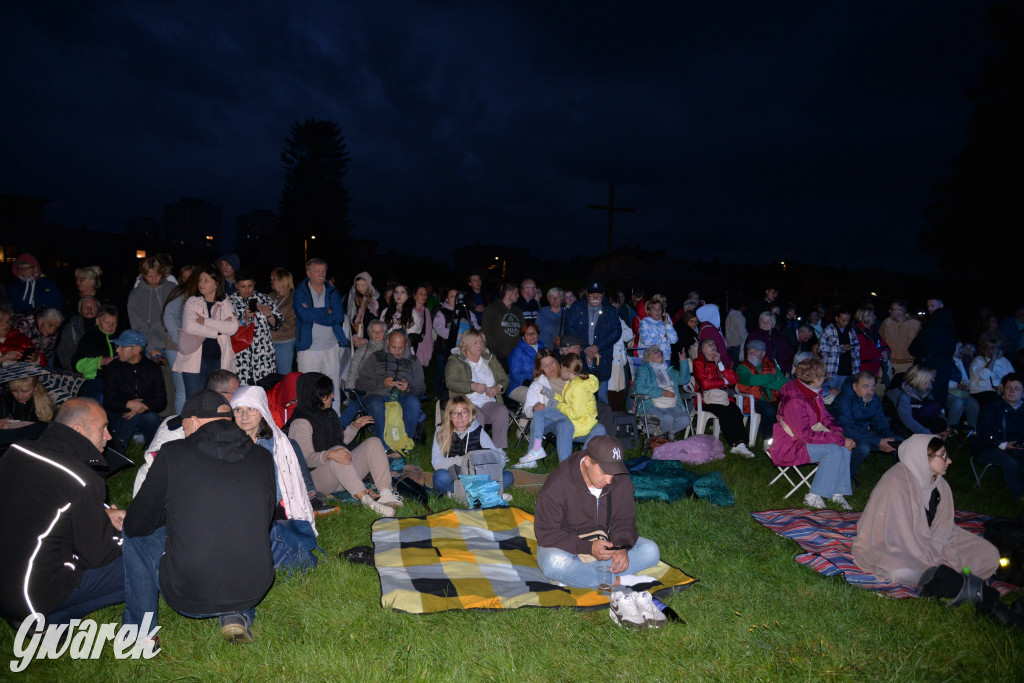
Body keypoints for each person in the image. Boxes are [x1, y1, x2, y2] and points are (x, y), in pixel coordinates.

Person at [122, 390, 275, 644]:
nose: (183, 433)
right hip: (254, 587)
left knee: (132, 534)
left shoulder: (172, 454)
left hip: (190, 594)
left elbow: (137, 523)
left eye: (183, 427)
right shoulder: (262, 456)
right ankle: (235, 614)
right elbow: (264, 519)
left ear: (193, 422)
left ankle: (140, 633)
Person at [853, 435, 1007, 625]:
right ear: (923, 457)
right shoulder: (896, 483)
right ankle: (945, 577)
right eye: (943, 456)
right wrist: (933, 558)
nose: (949, 461)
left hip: (930, 544)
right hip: (895, 545)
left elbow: (944, 529)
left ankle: (944, 577)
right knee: (899, 571)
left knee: (989, 554)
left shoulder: (940, 485)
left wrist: (944, 555)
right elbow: (898, 535)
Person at [0, 398, 124, 627]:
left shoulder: (17, 450)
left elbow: (38, 505)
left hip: (6, 586)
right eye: (102, 428)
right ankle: (50, 620)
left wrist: (100, 515)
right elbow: (96, 555)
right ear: (78, 430)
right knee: (142, 561)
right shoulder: (82, 480)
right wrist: (123, 536)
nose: (109, 436)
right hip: (32, 596)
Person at [533, 435, 664, 628]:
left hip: (606, 543)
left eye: (614, 472)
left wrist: (622, 547)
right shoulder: (558, 483)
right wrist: (587, 547)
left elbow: (624, 520)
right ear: (587, 461)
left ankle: (584, 577)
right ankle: (620, 580)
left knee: (651, 551)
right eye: (604, 471)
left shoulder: (620, 480)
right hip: (565, 544)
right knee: (554, 564)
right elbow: (546, 532)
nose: (609, 479)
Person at [285, 372, 399, 517]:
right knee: (338, 452)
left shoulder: (328, 413)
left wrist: (354, 427)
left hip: (342, 474)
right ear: (315, 397)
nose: (333, 396)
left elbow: (339, 440)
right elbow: (305, 459)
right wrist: (328, 455)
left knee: (373, 442)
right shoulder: (301, 422)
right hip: (318, 479)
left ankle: (386, 493)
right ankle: (368, 501)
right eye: (327, 394)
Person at [769, 357, 853, 510]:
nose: (825, 378)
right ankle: (814, 496)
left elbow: (825, 417)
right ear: (815, 379)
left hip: (804, 439)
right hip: (789, 446)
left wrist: (838, 432)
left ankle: (837, 493)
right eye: (823, 376)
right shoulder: (795, 400)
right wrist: (838, 440)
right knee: (834, 449)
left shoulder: (812, 392)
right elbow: (805, 435)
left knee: (844, 448)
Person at [173, 263, 239, 396]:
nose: (201, 283)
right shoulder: (192, 302)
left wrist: (204, 321)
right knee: (194, 400)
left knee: (216, 401)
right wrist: (218, 330)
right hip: (194, 359)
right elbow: (189, 326)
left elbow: (232, 328)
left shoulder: (224, 303)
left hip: (218, 360)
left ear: (216, 284)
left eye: (206, 280)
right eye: (200, 280)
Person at [430, 395, 513, 497]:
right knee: (440, 476)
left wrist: (481, 464)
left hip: (476, 476)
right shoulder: (440, 431)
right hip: (454, 476)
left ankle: (458, 494)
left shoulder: (478, 431)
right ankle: (485, 493)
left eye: (464, 412)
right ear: (450, 416)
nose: (460, 417)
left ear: (470, 414)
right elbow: (436, 462)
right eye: (455, 413)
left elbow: (499, 458)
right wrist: (465, 460)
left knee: (508, 476)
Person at [294, 258, 348, 414]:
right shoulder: (300, 291)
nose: (321, 274)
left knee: (332, 386)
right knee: (309, 387)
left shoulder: (332, 291)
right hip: (308, 348)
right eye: (317, 271)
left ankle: (334, 419)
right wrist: (326, 311)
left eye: (323, 271)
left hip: (331, 347)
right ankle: (310, 421)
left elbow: (338, 317)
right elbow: (303, 316)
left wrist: (313, 314)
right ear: (308, 273)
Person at [356, 330, 425, 445]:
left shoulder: (413, 361)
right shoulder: (376, 357)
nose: (397, 351)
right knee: (376, 405)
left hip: (402, 396)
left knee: (414, 403)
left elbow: (421, 388)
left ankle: (403, 444)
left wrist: (408, 388)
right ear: (387, 342)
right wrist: (381, 383)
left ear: (406, 345)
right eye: (393, 347)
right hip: (378, 395)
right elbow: (360, 383)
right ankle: (385, 446)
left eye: (401, 348)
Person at [444, 329, 510, 448]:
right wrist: (471, 386)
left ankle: (498, 450)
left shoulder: (490, 358)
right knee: (477, 415)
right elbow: (450, 382)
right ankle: (476, 449)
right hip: (466, 402)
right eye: (475, 343)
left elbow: (504, 378)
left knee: (502, 411)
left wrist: (498, 387)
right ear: (466, 344)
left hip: (488, 402)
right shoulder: (456, 360)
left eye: (481, 342)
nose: (480, 345)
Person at [692, 339, 755, 457]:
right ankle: (737, 444)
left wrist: (720, 365)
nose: (712, 346)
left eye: (713, 344)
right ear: (702, 350)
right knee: (725, 413)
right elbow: (704, 384)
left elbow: (734, 380)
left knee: (736, 411)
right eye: (708, 345)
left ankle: (741, 443)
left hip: (724, 399)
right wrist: (723, 381)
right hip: (706, 400)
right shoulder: (698, 363)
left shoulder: (721, 363)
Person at [103, 329, 167, 447]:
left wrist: (143, 406)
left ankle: (154, 451)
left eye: (122, 347)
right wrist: (128, 404)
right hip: (118, 412)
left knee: (151, 417)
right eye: (118, 346)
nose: (117, 350)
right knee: (132, 417)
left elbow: (161, 400)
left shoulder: (152, 368)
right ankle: (117, 451)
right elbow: (108, 400)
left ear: (136, 349)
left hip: (145, 412)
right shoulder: (113, 368)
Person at [833, 371, 896, 481]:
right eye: (865, 387)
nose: (870, 391)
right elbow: (846, 428)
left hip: (862, 433)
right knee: (863, 447)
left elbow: (880, 422)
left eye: (873, 387)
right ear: (854, 386)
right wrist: (877, 441)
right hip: (841, 435)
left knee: (898, 441)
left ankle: (900, 476)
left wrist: (888, 437)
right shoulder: (844, 399)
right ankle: (848, 475)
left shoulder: (874, 399)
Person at [564, 281, 619, 403]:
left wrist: (597, 347)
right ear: (587, 294)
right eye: (592, 294)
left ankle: (603, 422)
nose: (595, 297)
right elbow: (569, 327)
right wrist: (586, 347)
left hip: (602, 360)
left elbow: (616, 332)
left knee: (602, 399)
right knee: (581, 398)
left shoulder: (611, 311)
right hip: (581, 358)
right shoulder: (576, 307)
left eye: (598, 295)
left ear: (603, 294)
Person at [973, 373, 1024, 502]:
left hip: (1017, 445)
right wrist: (1002, 444)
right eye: (1008, 387)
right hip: (989, 447)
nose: (1012, 391)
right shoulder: (992, 408)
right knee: (1010, 461)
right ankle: (1020, 496)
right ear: (1003, 389)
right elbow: (984, 432)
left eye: (1016, 388)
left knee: (1017, 453)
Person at [229, 270, 282, 386]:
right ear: (236, 285)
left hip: (263, 355)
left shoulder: (264, 298)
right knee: (242, 392)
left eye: (250, 286)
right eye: (243, 286)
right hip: (240, 355)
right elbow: (227, 327)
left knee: (265, 390)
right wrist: (244, 318)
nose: (247, 290)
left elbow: (277, 324)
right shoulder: (229, 302)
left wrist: (268, 314)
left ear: (254, 284)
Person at [634, 346, 690, 439]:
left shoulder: (669, 370)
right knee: (667, 418)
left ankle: (666, 436)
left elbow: (684, 380)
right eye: (654, 351)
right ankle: (665, 441)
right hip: (652, 404)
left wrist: (683, 362)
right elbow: (639, 388)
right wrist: (662, 392)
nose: (659, 352)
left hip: (672, 404)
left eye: (660, 351)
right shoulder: (644, 370)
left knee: (685, 420)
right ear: (648, 357)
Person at [127, 257, 176, 365]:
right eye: (150, 276)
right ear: (143, 275)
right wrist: (150, 348)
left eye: (157, 275)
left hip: (174, 344)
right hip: (153, 345)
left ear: (162, 273)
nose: (154, 279)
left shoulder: (172, 288)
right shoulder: (136, 295)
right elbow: (138, 325)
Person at [909, 300, 956, 408]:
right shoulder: (951, 327)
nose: (929, 309)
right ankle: (940, 423)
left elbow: (912, 349)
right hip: (945, 368)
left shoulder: (929, 327)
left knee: (923, 400)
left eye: (932, 306)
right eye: (928, 306)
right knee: (940, 400)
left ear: (941, 305)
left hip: (928, 369)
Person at [433, 287, 477, 398]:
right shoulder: (442, 312)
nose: (455, 298)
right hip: (445, 349)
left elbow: (475, 327)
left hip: (463, 350)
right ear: (447, 299)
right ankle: (439, 395)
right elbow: (439, 329)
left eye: (457, 296)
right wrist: (458, 335)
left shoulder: (467, 312)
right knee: (442, 372)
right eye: (452, 296)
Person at [735, 339, 786, 436]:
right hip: (753, 401)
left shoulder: (771, 366)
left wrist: (762, 381)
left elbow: (784, 384)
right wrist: (773, 378)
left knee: (790, 408)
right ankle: (768, 441)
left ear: (763, 354)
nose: (751, 353)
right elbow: (750, 380)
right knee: (769, 411)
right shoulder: (742, 367)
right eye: (750, 350)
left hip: (774, 400)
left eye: (756, 351)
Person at [73, 305, 119, 399]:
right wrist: (100, 361)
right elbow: (78, 365)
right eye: (107, 323)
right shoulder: (89, 338)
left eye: (114, 323)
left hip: (117, 382)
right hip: (95, 381)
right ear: (97, 321)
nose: (111, 326)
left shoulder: (120, 339)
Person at [890, 364, 949, 437]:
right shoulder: (903, 395)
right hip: (898, 424)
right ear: (922, 380)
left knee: (940, 422)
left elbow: (937, 413)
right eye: (931, 379)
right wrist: (929, 434)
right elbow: (907, 420)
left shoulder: (925, 392)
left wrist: (946, 427)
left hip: (915, 420)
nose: (933, 381)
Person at [0, 375, 55, 447]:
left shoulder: (47, 403)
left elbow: (50, 431)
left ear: (36, 387)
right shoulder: (5, 398)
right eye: (14, 391)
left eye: (25, 391)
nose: (19, 396)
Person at [481, 281, 525, 363]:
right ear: (509, 293)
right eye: (516, 293)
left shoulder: (517, 311)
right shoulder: (492, 309)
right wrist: (497, 349)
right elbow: (486, 331)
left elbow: (523, 330)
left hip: (516, 355)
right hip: (497, 356)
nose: (518, 295)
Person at [819, 308, 860, 392]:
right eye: (843, 320)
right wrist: (841, 348)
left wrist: (856, 371)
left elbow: (857, 349)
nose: (846, 323)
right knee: (829, 396)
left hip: (847, 370)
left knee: (842, 397)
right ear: (836, 318)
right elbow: (822, 350)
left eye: (848, 320)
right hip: (832, 371)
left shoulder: (851, 330)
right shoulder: (828, 330)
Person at [56, 296, 99, 370]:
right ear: (79, 310)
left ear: (98, 309)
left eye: (93, 306)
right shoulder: (71, 328)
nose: (89, 309)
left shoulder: (106, 326)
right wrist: (76, 369)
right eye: (85, 307)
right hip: (77, 372)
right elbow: (64, 353)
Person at [879, 300, 920, 376]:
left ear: (901, 311)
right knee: (881, 387)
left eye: (892, 309)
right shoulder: (886, 322)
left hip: (907, 365)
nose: (889, 311)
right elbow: (881, 341)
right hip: (888, 363)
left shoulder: (916, 324)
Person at [969, 341, 1014, 408]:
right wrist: (993, 360)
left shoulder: (1004, 361)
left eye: (993, 347)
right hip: (982, 391)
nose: (990, 349)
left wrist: (1001, 387)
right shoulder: (978, 360)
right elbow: (984, 376)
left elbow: (1012, 378)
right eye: (987, 347)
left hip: (999, 392)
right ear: (983, 350)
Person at [269, 267, 297, 375]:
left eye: (274, 279)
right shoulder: (271, 296)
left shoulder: (293, 299)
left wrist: (270, 323)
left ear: (282, 281)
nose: (271, 281)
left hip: (284, 342)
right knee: (271, 376)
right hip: (269, 342)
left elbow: (289, 324)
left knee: (283, 376)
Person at [507, 322, 544, 402]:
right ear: (523, 337)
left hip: (541, 384)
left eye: (533, 333)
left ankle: (558, 412)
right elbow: (514, 374)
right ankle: (529, 413)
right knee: (538, 398)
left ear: (537, 334)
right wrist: (528, 382)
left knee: (553, 396)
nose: (531, 335)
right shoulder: (518, 351)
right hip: (518, 385)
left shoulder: (544, 349)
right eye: (527, 334)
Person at [345, 271, 381, 351]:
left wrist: (366, 340)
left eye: (363, 285)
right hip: (355, 338)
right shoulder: (353, 299)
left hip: (369, 342)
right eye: (357, 285)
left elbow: (376, 323)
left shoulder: (375, 301)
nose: (360, 288)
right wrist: (354, 336)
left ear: (368, 285)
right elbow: (347, 318)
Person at [948, 341, 980, 428]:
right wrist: (956, 385)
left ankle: (972, 430)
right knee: (957, 402)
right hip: (947, 391)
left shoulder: (958, 361)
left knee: (973, 404)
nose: (961, 350)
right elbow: (943, 380)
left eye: (961, 347)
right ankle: (951, 429)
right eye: (958, 348)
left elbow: (965, 378)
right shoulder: (945, 361)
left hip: (958, 391)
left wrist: (966, 384)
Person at [638, 294, 679, 362]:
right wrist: (663, 338)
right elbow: (646, 341)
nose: (657, 311)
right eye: (654, 309)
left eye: (659, 309)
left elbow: (674, 340)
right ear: (648, 311)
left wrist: (666, 323)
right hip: (650, 358)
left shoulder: (664, 323)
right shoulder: (644, 323)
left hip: (665, 358)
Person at [696, 303, 732, 369]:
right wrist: (728, 363)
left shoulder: (704, 327)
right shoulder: (709, 330)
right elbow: (720, 348)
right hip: (717, 366)